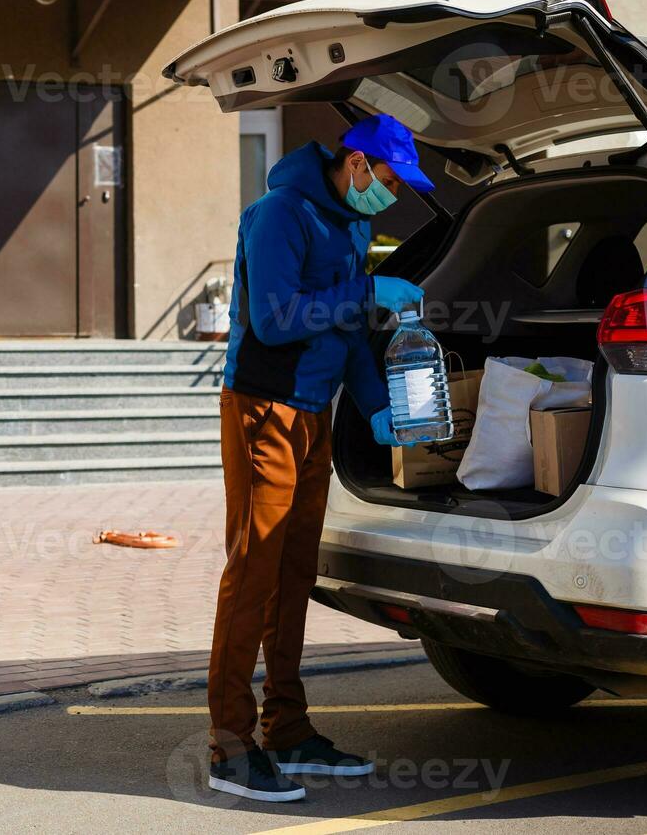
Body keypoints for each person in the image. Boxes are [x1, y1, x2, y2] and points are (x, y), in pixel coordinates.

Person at [207, 113, 433, 804]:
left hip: (316, 414)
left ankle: (287, 727)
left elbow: (352, 332)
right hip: (264, 411)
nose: (390, 197)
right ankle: (230, 745)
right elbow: (275, 318)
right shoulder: (278, 213)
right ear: (357, 163)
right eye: (388, 181)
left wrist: (374, 408)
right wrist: (367, 293)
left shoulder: (353, 225)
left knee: (294, 571)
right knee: (254, 569)